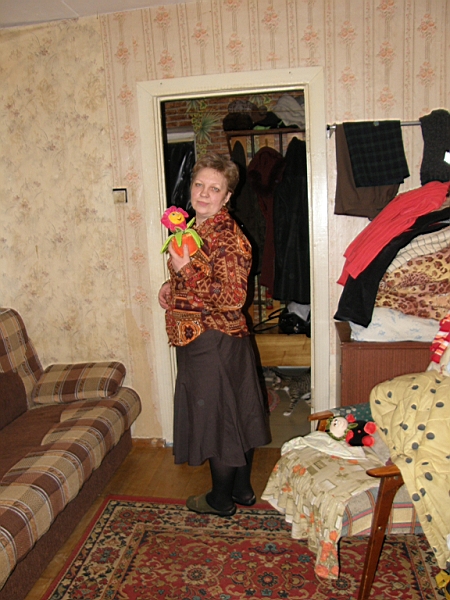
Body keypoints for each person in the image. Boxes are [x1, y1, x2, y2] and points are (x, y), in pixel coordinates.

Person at [158, 152, 271, 517]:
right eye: (199, 185)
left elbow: (233, 297)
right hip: (215, 340)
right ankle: (241, 489)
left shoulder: (227, 237)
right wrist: (172, 285)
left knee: (219, 421)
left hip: (211, 341)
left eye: (215, 188)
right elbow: (207, 279)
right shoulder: (198, 228)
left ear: (227, 196)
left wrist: (186, 272)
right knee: (238, 413)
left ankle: (219, 500)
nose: (204, 193)